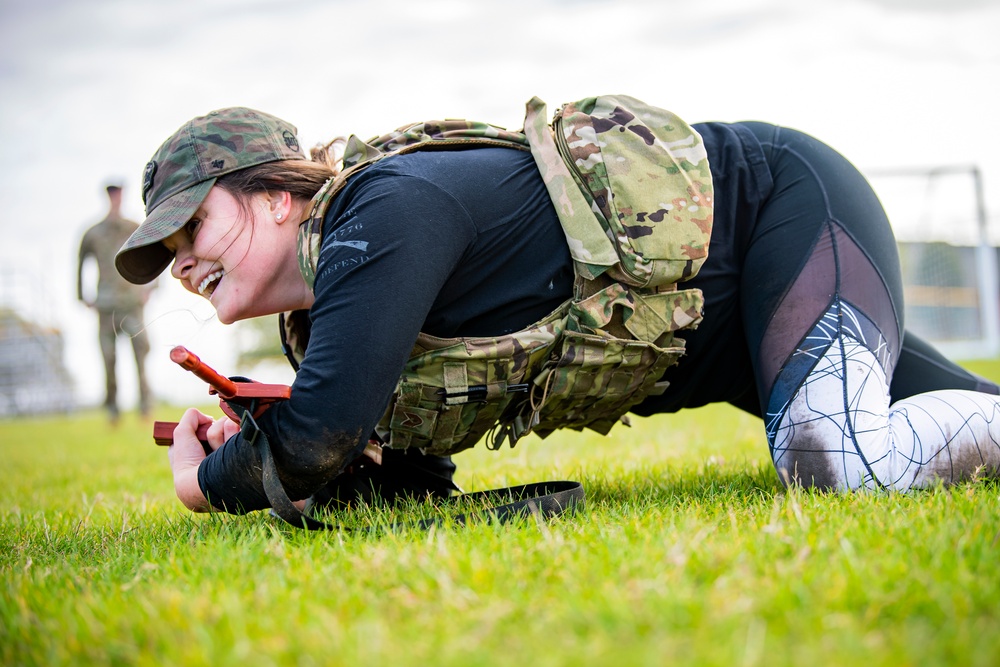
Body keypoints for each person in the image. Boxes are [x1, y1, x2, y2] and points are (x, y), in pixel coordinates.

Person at [114, 102, 1000, 522]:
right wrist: (264, 447)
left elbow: (319, 437)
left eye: (196, 220)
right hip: (736, 344)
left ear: (275, 196)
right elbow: (397, 481)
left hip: (785, 218)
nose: (183, 259)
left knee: (839, 459)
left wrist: (211, 482)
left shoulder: (374, 216)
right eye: (166, 251)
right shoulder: (322, 321)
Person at [78, 182, 155, 424]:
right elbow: (80, 264)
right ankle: (112, 410)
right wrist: (82, 296)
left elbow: (155, 252)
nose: (116, 198)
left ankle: (145, 407)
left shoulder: (134, 228)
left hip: (132, 303)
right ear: (108, 197)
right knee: (109, 358)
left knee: (141, 353)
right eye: (112, 194)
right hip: (107, 306)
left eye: (118, 193)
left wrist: (151, 287)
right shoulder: (94, 233)